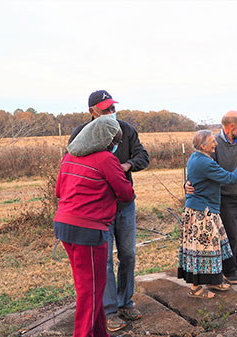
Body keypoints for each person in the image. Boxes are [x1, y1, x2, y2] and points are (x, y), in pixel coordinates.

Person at [68, 90, 150, 332]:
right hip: (97, 208)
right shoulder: (81, 134)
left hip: (124, 205)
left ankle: (126, 302)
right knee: (103, 261)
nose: (111, 113)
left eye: (112, 108)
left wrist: (125, 165)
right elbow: (71, 161)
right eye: (105, 109)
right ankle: (109, 311)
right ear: (92, 112)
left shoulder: (126, 129)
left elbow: (143, 156)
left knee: (128, 254)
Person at [54, 117, 134, 337]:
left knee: (92, 287)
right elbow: (126, 193)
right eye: (114, 141)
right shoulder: (105, 159)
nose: (115, 146)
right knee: (90, 291)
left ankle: (100, 333)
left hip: (65, 226)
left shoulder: (70, 156)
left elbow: (59, 192)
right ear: (106, 140)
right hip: (87, 231)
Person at [178, 130, 237, 299]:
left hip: (207, 209)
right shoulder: (205, 163)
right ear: (203, 146)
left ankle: (213, 280)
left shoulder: (197, 158)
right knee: (200, 250)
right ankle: (195, 289)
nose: (216, 143)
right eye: (212, 141)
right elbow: (231, 178)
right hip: (201, 212)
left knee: (214, 248)